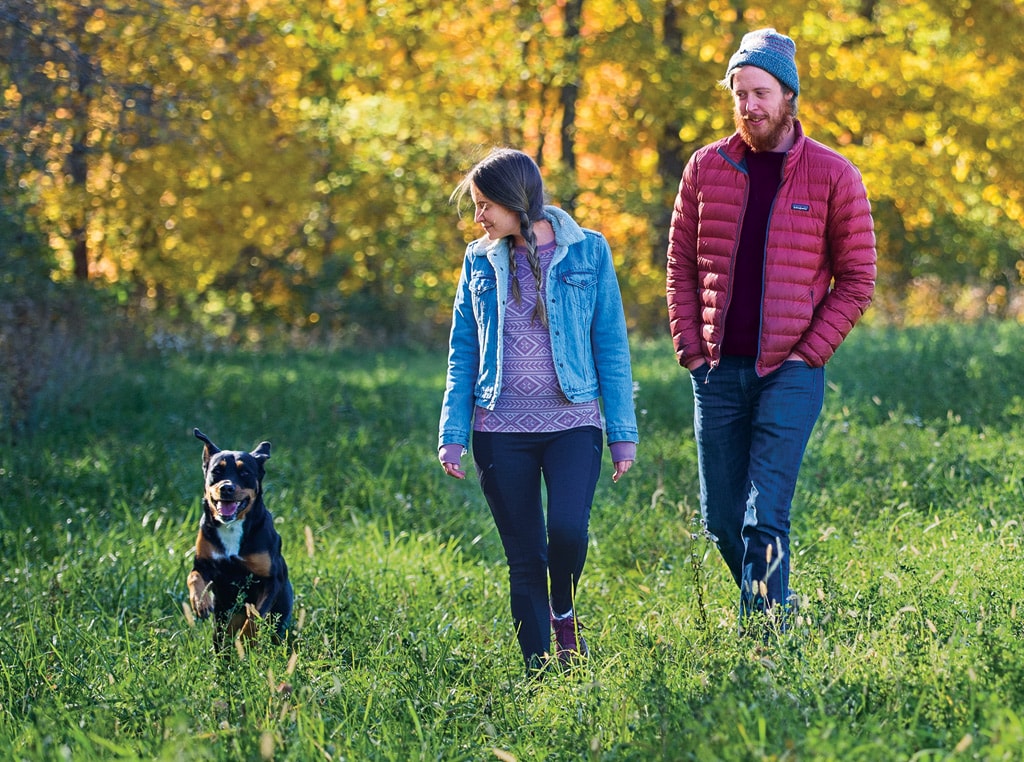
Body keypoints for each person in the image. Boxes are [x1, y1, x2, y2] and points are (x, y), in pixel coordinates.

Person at [665, 29, 876, 628]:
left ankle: (766, 643)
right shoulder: (707, 168)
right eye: (740, 94)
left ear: (789, 95)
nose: (749, 105)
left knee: (764, 517)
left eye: (760, 92)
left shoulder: (834, 175)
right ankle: (778, 609)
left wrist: (809, 354)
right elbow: (680, 263)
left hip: (791, 372)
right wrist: (691, 349)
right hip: (716, 371)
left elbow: (857, 278)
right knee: (722, 522)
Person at [438, 147, 638, 674]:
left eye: (485, 205)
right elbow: (463, 350)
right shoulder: (478, 259)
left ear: (514, 199)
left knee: (568, 533)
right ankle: (540, 675)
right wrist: (452, 432)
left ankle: (564, 609)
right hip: (498, 429)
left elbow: (610, 344)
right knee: (525, 559)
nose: (479, 217)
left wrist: (622, 433)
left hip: (573, 422)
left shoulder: (588, 252)